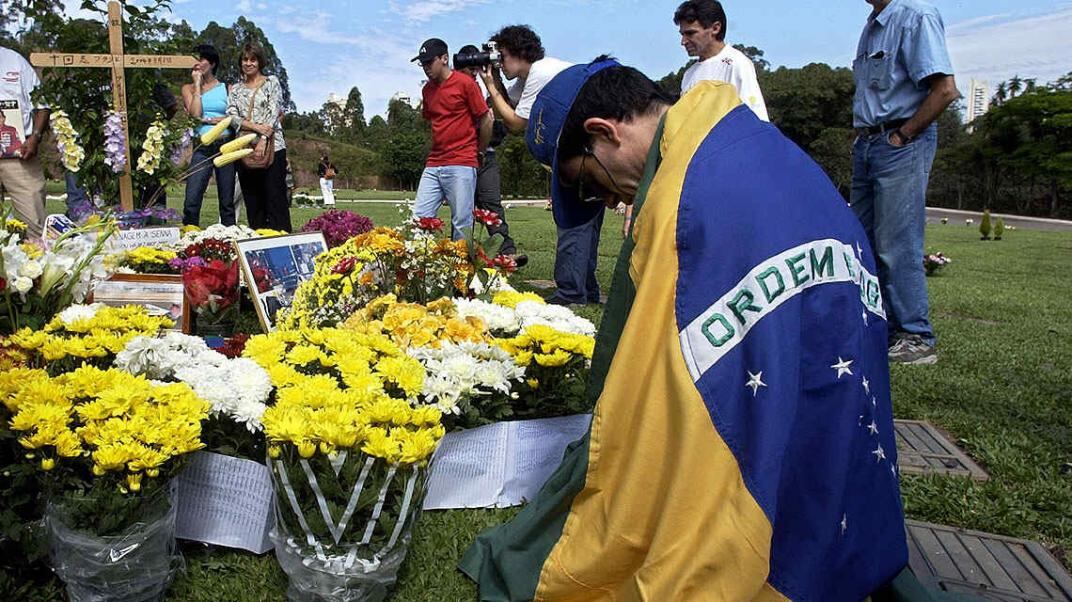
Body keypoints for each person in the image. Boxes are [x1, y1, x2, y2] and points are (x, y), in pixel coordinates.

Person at [461, 58, 912, 600]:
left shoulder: (681, 202)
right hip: (854, 496)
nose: (606, 202)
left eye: (587, 183)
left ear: (604, 133)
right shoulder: (760, 145)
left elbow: (653, 397)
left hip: (771, 534)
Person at [851, 0, 958, 365]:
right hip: (868, 142)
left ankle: (916, 336)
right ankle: (880, 327)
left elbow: (944, 89)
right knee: (862, 241)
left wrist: (903, 135)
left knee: (896, 243)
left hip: (899, 142)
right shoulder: (873, 24)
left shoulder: (916, 16)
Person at [482, 26, 601, 305]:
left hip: (580, 153)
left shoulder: (540, 72)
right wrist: (495, 78)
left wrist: (489, 84)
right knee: (587, 223)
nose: (500, 61)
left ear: (520, 52)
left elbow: (514, 123)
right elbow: (506, 102)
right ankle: (586, 289)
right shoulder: (533, 74)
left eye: (502, 56)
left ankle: (570, 293)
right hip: (590, 149)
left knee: (573, 219)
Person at [411, 38, 493, 241]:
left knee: (462, 223)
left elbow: (486, 119)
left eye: (430, 62)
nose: (426, 68)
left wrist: (479, 151)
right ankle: (419, 269)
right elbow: (435, 121)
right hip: (434, 162)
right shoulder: (427, 90)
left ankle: (459, 270)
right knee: (418, 220)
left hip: (461, 161)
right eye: (423, 63)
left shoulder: (465, 84)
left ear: (444, 58)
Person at [458, 45, 528, 267]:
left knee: (492, 206)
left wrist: (493, 77)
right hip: (462, 158)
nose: (473, 72)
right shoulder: (454, 89)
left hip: (486, 157)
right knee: (463, 210)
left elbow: (503, 117)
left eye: (476, 68)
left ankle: (506, 253)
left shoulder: (484, 89)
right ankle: (460, 255)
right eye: (469, 68)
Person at [226, 41, 292, 232]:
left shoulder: (271, 82)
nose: (248, 63)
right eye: (245, 60)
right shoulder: (236, 90)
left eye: (253, 60)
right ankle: (259, 242)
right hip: (245, 148)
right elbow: (232, 115)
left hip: (273, 147)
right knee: (253, 202)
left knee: (275, 198)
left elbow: (274, 112)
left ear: (260, 62)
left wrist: (264, 138)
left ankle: (282, 239)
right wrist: (254, 127)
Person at [674, 0, 769, 121]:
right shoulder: (689, 74)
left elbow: (756, 119)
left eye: (690, 33)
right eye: (682, 34)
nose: (683, 41)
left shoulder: (737, 64)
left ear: (715, 28)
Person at [181, 44, 236, 227]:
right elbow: (195, 115)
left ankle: (229, 242)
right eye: (194, 60)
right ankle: (189, 241)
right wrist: (197, 85)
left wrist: (210, 119)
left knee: (227, 202)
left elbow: (233, 117)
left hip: (225, 145)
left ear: (212, 63)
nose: (196, 63)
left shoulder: (227, 88)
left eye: (201, 59)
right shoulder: (188, 89)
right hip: (202, 147)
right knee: (192, 200)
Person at [0, 46, 48, 238]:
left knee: (34, 223)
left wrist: (35, 137)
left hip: (19, 155)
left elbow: (43, 105)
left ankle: (37, 265)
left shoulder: (15, 61)